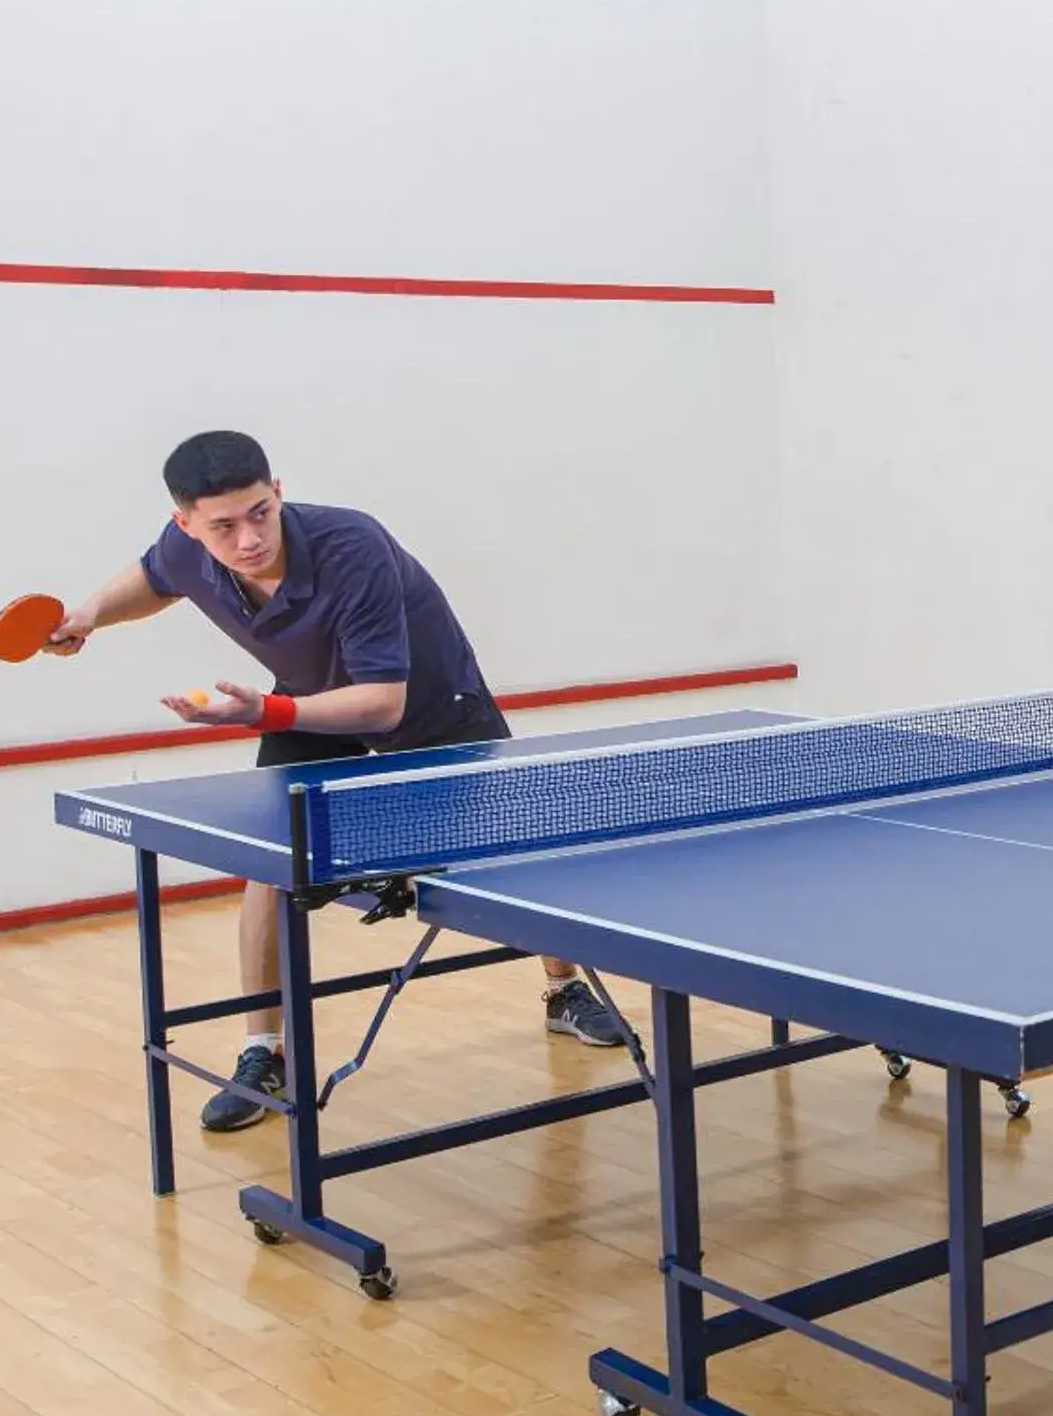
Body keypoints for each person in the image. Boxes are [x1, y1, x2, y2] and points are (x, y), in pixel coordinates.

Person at [46, 431, 626, 1131]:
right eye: (223, 526)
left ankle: (563, 990)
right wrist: (89, 616)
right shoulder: (186, 550)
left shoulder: (351, 546)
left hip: (433, 705)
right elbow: (151, 578)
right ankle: (264, 1049)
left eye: (260, 512)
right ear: (187, 525)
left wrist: (262, 711)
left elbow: (384, 703)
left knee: (514, 858)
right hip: (312, 703)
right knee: (268, 861)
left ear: (279, 490)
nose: (249, 538)